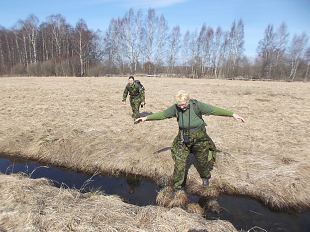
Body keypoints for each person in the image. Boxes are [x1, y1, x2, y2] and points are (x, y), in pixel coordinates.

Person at [135, 90, 245, 193]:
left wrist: (232, 114)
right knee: (180, 163)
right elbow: (163, 114)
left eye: (183, 104)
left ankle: (205, 177)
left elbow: (214, 110)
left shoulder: (196, 105)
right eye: (179, 104)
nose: (182, 107)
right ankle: (178, 188)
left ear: (188, 100)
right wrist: (146, 118)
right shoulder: (176, 108)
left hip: (200, 139)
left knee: (202, 161)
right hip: (183, 138)